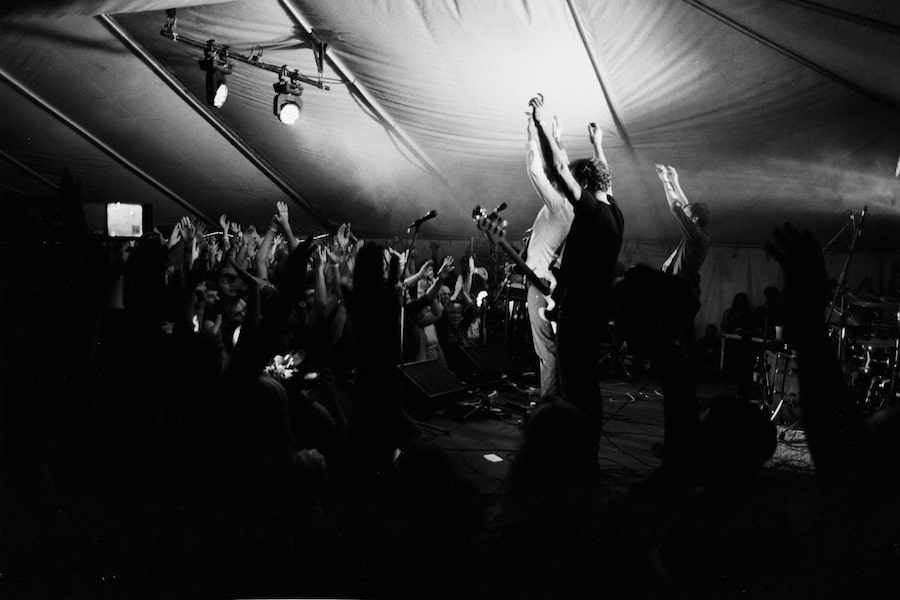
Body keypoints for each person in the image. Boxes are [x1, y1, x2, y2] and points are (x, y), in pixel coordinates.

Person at [529, 94, 624, 444]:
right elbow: (604, 179)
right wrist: (597, 146)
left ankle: (576, 454)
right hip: (592, 310)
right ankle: (586, 450)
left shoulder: (593, 213)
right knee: (586, 385)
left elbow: (558, 170)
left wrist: (541, 125)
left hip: (580, 313)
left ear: (583, 184)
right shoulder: (614, 211)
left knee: (576, 386)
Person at [523, 110, 574, 400]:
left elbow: (535, 170)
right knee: (551, 348)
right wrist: (557, 138)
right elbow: (560, 164)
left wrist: (531, 131)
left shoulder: (559, 205)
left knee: (545, 348)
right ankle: (557, 401)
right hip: (549, 282)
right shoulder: (568, 206)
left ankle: (550, 406)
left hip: (541, 284)